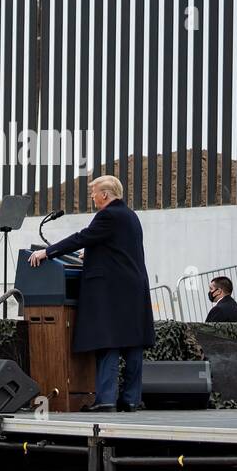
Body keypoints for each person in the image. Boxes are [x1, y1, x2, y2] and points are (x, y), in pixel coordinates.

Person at [29, 174, 156, 412]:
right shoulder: (130, 216)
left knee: (108, 342)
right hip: (134, 289)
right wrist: (96, 254)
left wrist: (48, 252)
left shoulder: (107, 215)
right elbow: (120, 249)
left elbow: (82, 237)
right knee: (133, 345)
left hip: (113, 291)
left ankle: (106, 399)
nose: (92, 198)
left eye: (94, 194)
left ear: (105, 195)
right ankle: (130, 400)